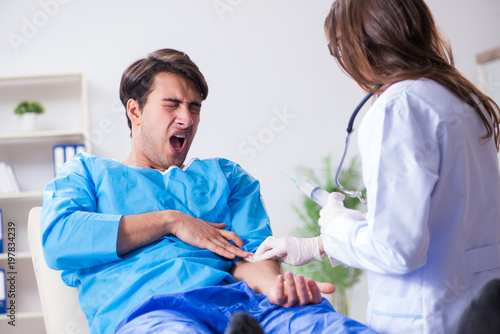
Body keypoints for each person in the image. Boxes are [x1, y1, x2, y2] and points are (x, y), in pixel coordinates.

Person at [40, 48, 376, 334]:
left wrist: (278, 290)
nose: (186, 118)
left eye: (195, 107)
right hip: (153, 314)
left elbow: (252, 257)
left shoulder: (226, 177)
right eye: (171, 105)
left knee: (326, 326)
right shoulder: (87, 173)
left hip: (250, 308)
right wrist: (171, 221)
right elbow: (59, 240)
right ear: (135, 110)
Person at [249, 0, 500, 333]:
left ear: (359, 46)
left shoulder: (397, 109)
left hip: (428, 318)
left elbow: (397, 250)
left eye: (338, 49)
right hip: (481, 308)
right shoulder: (461, 97)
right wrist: (318, 246)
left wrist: (336, 228)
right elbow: (436, 218)